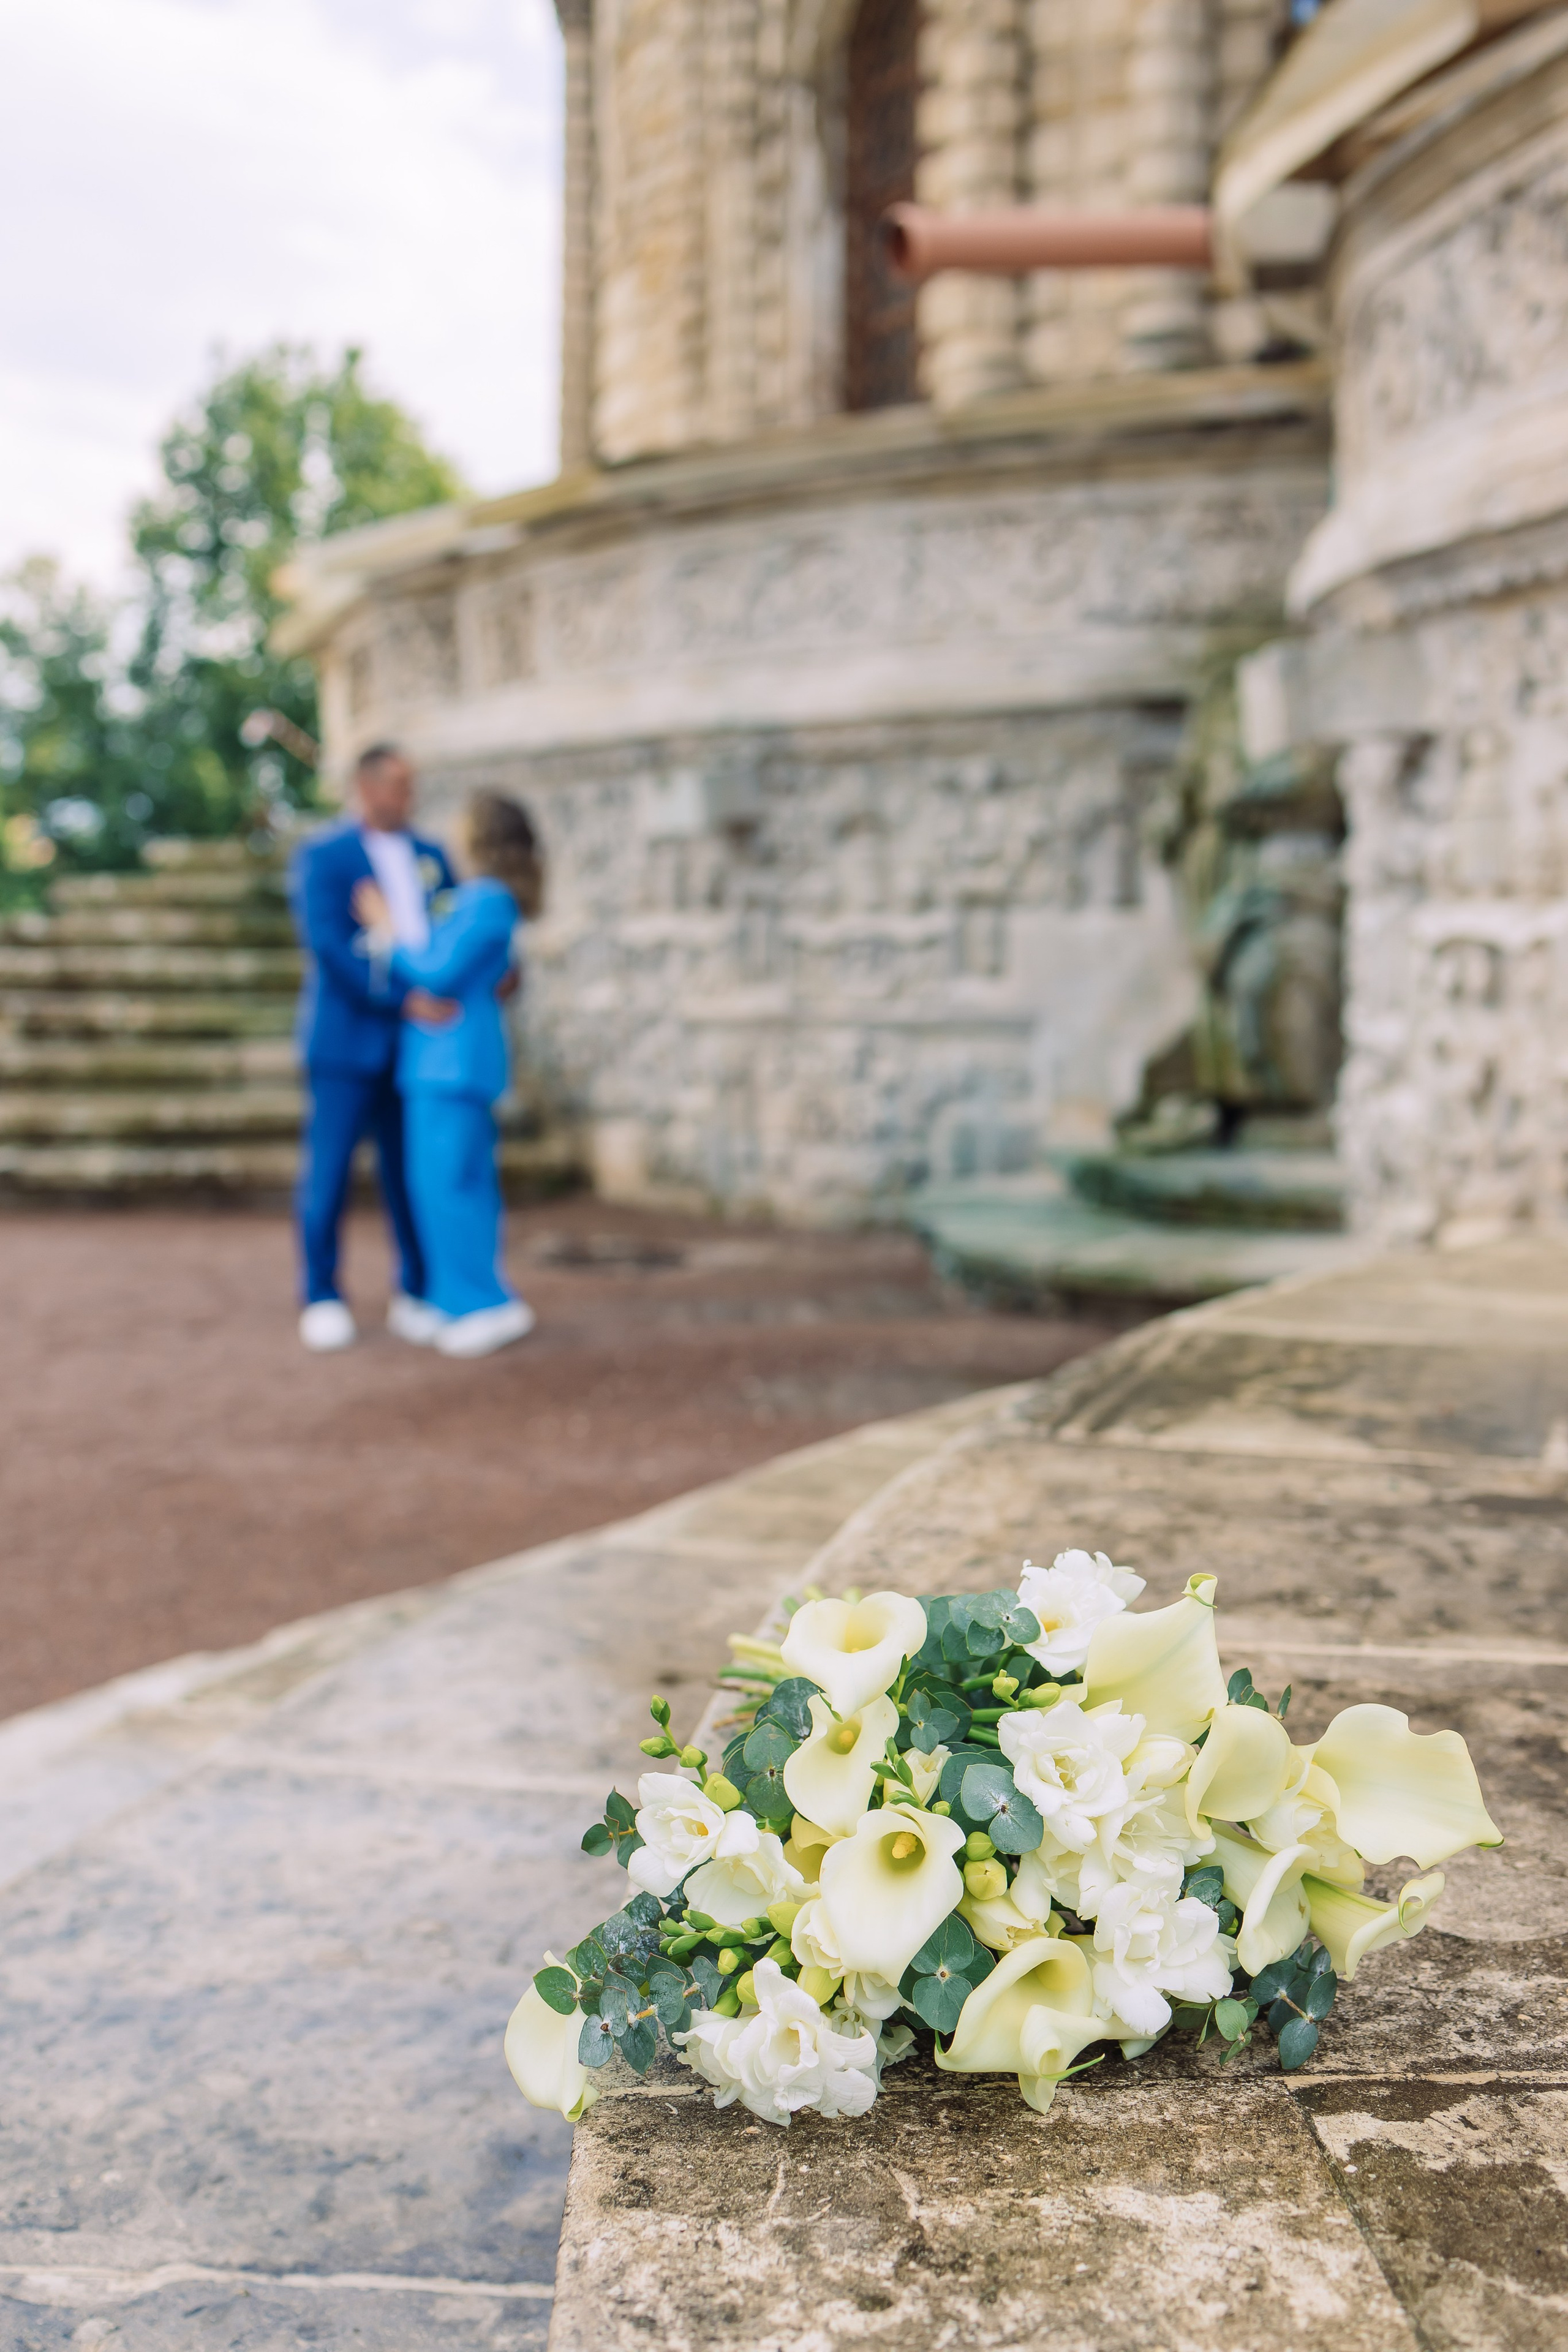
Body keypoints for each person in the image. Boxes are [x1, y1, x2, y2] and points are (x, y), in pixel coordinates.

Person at [353, 792, 543, 1359]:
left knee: (450, 1188)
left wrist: (387, 929)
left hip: (452, 1063)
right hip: (445, 1061)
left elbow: (437, 971)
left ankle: (479, 1303)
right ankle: (453, 1298)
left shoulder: (486, 899)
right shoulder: (483, 900)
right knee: (448, 1186)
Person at [288, 744, 456, 1352]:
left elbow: (450, 931)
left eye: (412, 786)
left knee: (410, 1171)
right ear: (367, 786)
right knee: (328, 1173)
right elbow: (329, 948)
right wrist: (400, 1000)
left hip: (417, 1047)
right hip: (344, 1045)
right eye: (399, 786)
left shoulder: (432, 854)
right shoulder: (325, 856)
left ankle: (415, 1287)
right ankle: (321, 1293)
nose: (409, 798)